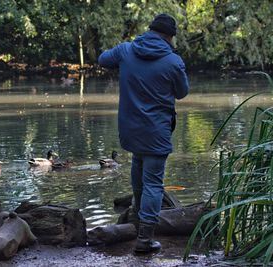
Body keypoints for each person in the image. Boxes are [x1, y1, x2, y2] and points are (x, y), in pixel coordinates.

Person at [98, 13, 189, 253]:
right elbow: (182, 93)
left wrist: (124, 61)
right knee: (153, 184)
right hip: (156, 131)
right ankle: (145, 239)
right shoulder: (173, 61)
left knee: (138, 172)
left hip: (130, 129)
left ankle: (138, 221)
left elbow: (102, 59)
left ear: (149, 30)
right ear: (170, 37)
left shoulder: (126, 50)